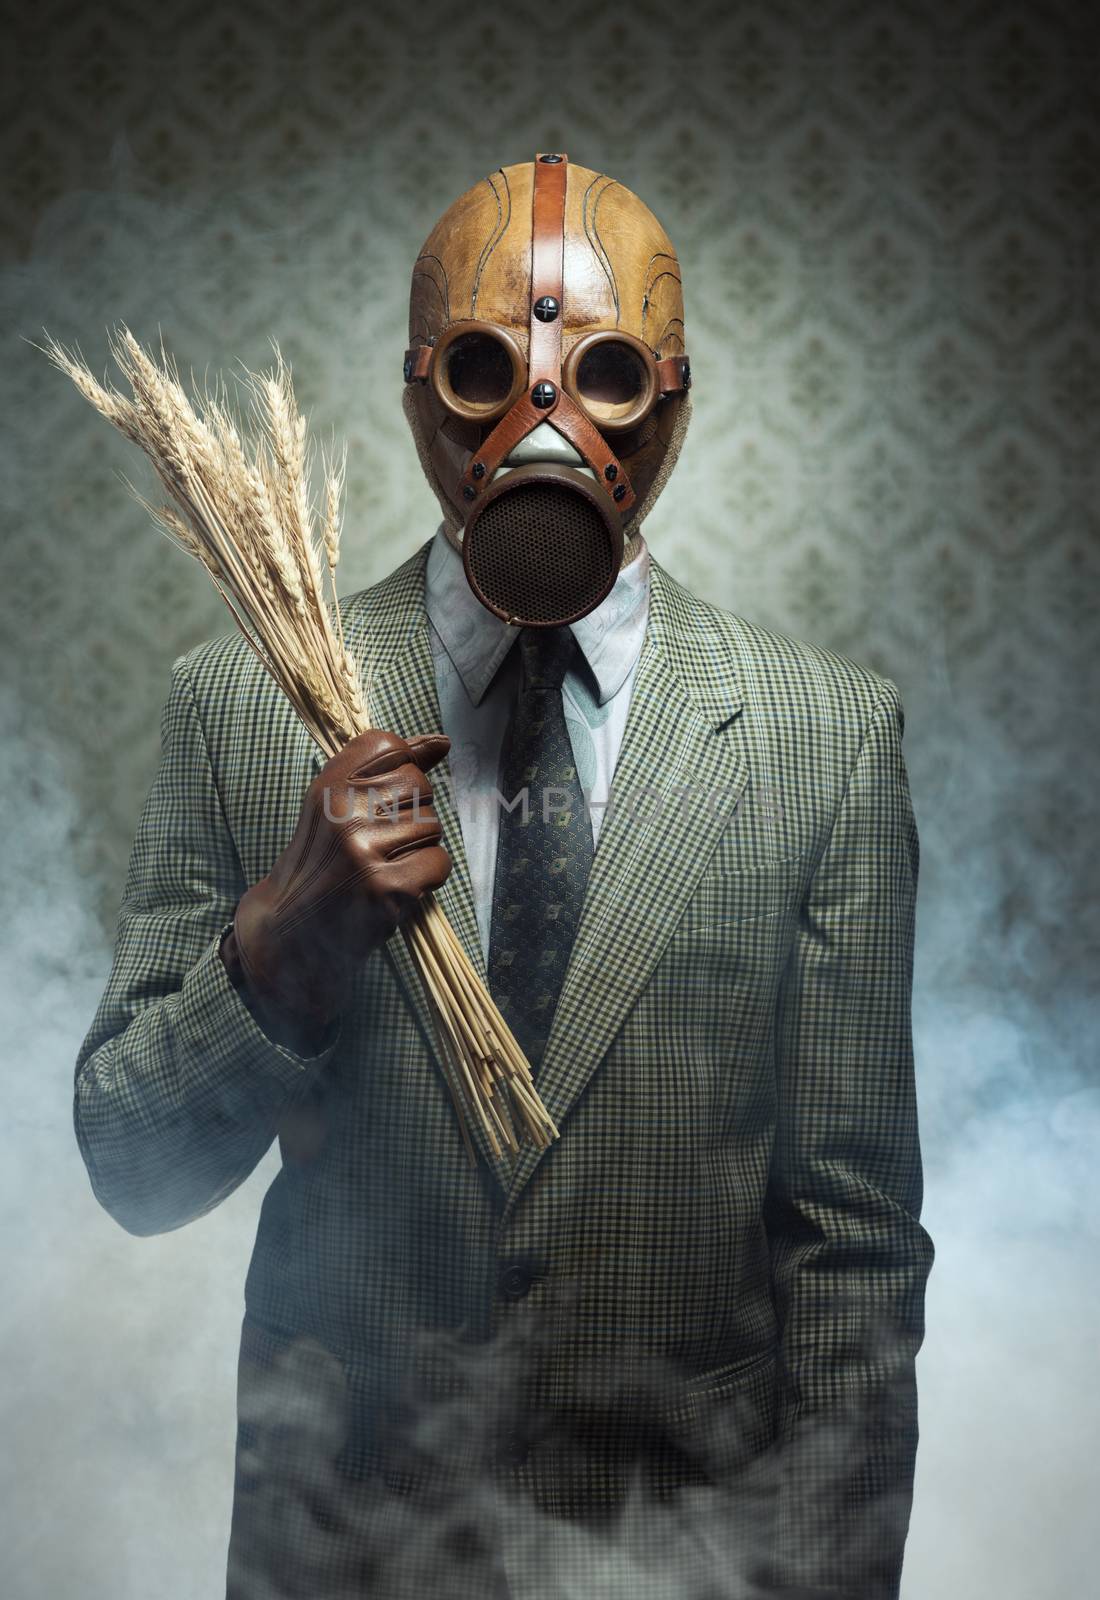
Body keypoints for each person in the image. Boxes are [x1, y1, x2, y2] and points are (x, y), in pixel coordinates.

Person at [74, 154, 934, 1600]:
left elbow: (850, 1252)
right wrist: (277, 952)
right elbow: (135, 1171)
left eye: (601, 374)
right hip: (339, 1555)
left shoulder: (822, 738)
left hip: (693, 1552)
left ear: (672, 395)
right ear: (417, 392)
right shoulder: (246, 706)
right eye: (486, 368)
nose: (545, 423)